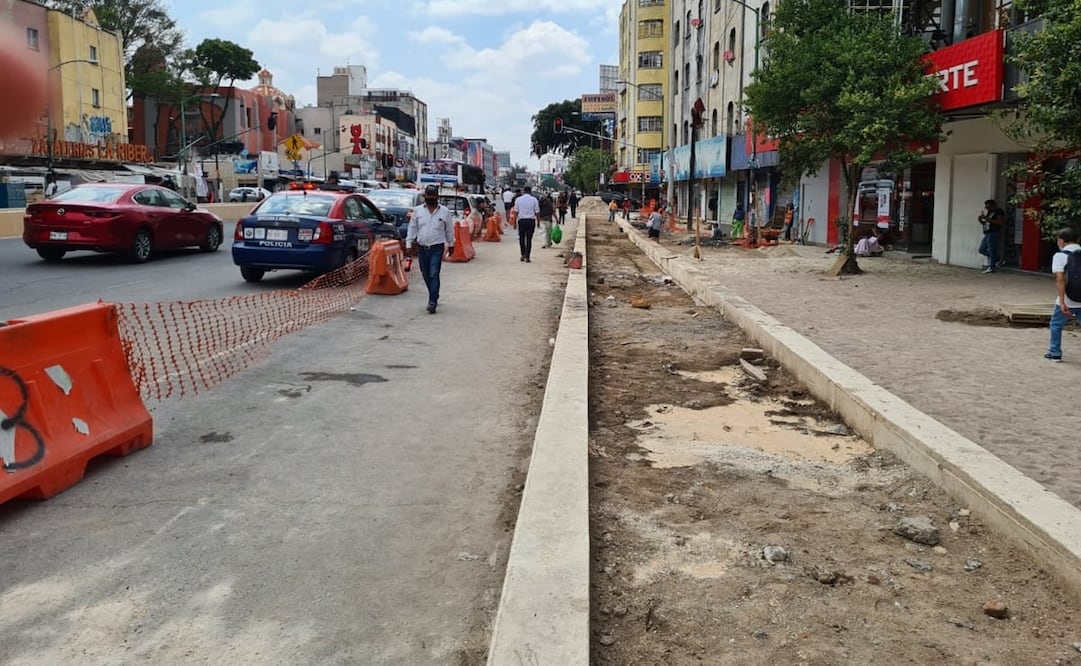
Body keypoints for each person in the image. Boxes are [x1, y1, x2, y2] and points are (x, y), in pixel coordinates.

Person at [406, 184, 456, 314]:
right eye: (429, 195)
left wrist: (451, 244)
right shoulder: (418, 211)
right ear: (425, 196)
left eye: (433, 195)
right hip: (422, 248)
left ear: (437, 196)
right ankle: (434, 293)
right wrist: (408, 244)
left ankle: (432, 301)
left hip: (437, 248)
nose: (431, 197)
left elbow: (449, 229)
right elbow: (412, 228)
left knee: (434, 273)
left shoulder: (444, 212)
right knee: (425, 274)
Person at [1045, 227, 1081, 362]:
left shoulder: (1060, 256)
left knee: (1056, 324)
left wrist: (1061, 301)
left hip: (1068, 298)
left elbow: (1060, 279)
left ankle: (1055, 353)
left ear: (1061, 241)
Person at [513, 185, 540, 262]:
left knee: (521, 238)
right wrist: (538, 222)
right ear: (530, 191)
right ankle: (527, 257)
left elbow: (516, 212)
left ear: (523, 191)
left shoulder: (518, 199)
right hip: (531, 221)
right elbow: (537, 212)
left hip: (521, 221)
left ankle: (523, 254)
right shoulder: (534, 199)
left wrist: (514, 222)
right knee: (529, 239)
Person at [978, 199, 1005, 273]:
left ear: (994, 205)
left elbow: (1000, 222)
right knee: (982, 249)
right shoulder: (990, 212)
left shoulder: (999, 211)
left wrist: (988, 219)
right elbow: (987, 223)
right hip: (987, 232)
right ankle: (998, 259)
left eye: (988, 207)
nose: (987, 208)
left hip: (993, 232)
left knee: (991, 250)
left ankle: (992, 267)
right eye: (986, 207)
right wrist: (981, 220)